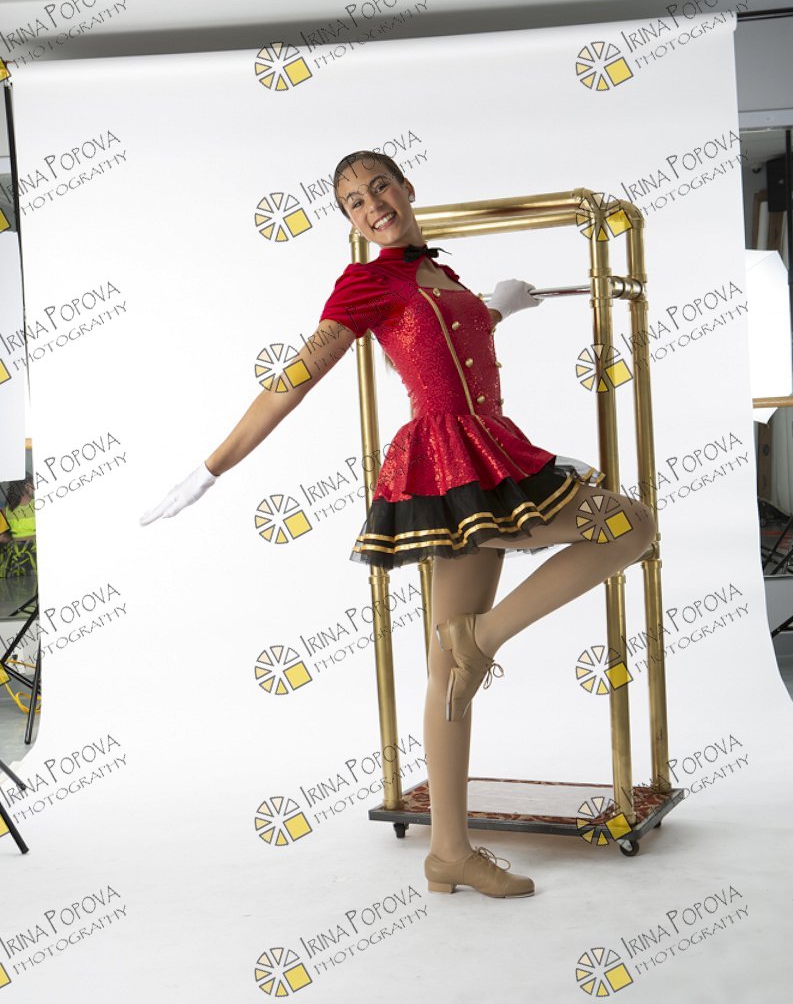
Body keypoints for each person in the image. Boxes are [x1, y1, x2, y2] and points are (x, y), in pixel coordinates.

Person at [141, 150, 656, 900]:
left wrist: (496, 308)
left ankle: (448, 851)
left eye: (379, 186)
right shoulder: (367, 282)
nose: (372, 203)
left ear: (407, 188)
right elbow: (294, 380)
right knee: (628, 526)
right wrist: (212, 467)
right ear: (350, 220)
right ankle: (482, 645)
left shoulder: (438, 272)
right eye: (353, 200)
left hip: (494, 451)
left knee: (456, 665)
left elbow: (445, 348)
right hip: (447, 462)